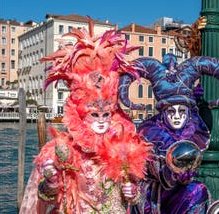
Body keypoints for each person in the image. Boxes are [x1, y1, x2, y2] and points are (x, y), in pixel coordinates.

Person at [19, 18, 152, 213]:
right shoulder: (61, 149)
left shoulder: (124, 147)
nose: (101, 121)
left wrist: (132, 192)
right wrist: (51, 183)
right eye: (94, 115)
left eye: (105, 114)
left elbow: (132, 195)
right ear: (80, 115)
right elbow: (42, 197)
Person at [118, 53, 219, 214]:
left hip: (180, 192)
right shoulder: (149, 133)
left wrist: (203, 103)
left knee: (198, 190)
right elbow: (156, 175)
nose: (177, 116)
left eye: (182, 111)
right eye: (171, 111)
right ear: (163, 112)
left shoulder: (194, 130)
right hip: (154, 195)